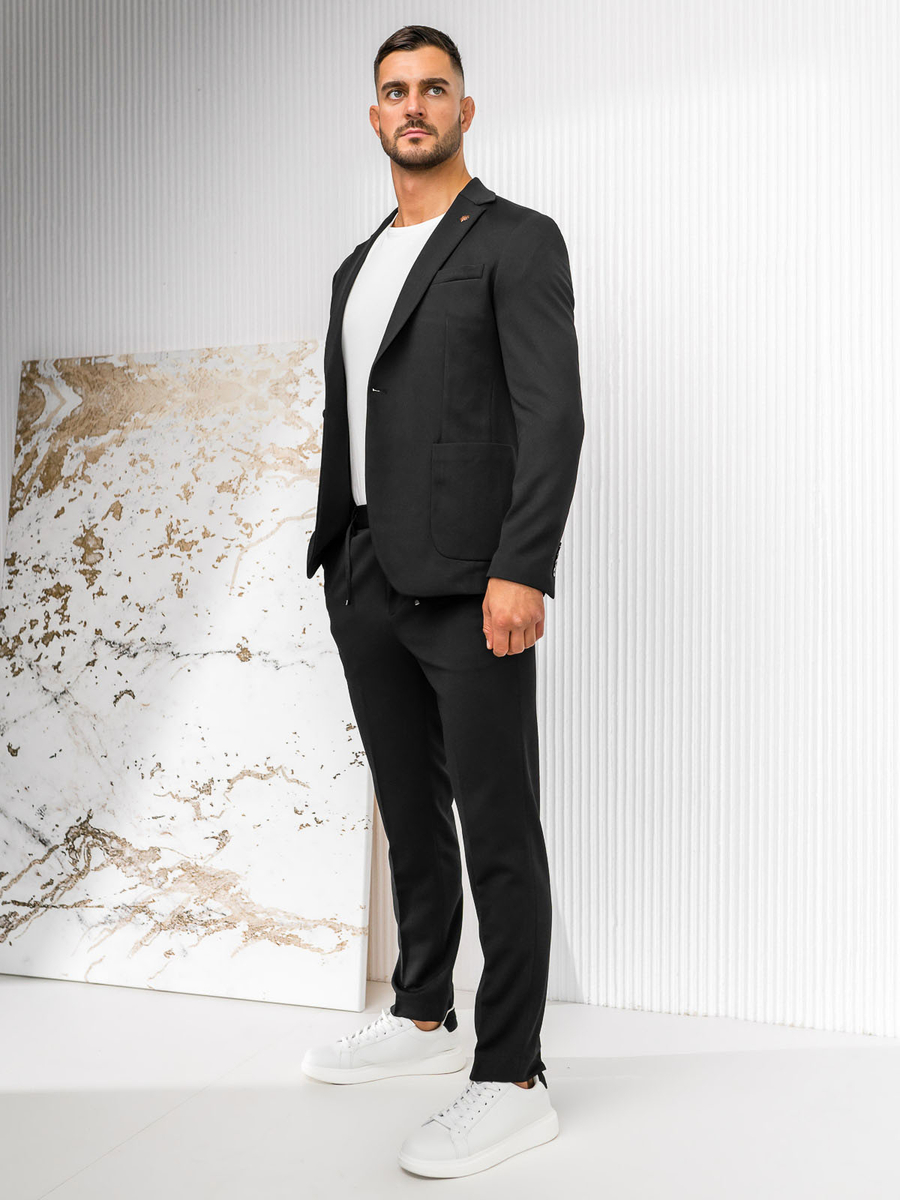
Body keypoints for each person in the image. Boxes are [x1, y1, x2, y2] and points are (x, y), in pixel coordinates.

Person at [301, 24, 584, 1179]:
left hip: (473, 582)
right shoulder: (355, 265)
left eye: (433, 88)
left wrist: (525, 567)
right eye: (394, 91)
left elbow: (552, 414)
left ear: (465, 109)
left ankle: (512, 1077)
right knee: (408, 810)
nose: (413, 105)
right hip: (365, 570)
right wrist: (338, 553)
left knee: (498, 823)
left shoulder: (515, 240)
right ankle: (424, 1012)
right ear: (374, 116)